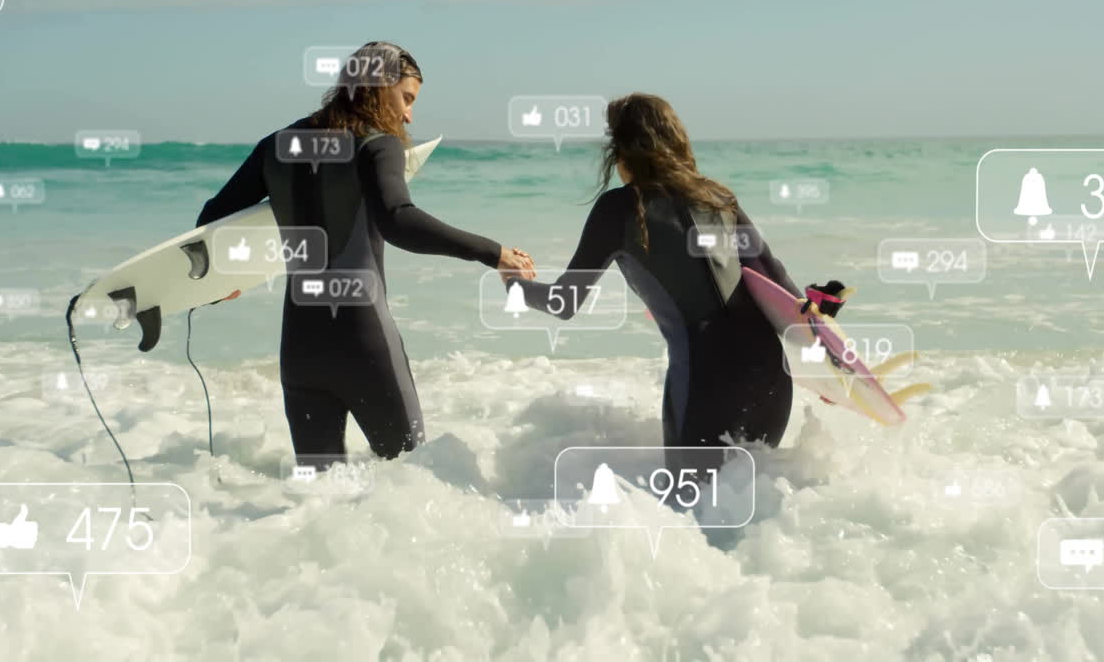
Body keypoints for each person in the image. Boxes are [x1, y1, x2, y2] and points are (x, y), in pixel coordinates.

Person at [196, 41, 535, 465]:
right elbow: (398, 219)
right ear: (379, 87)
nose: (409, 115)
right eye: (406, 98)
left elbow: (212, 221)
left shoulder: (275, 145)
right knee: (414, 475)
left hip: (300, 350)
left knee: (316, 490)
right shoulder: (377, 143)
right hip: (364, 344)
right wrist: (494, 253)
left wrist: (222, 284)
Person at [502, 93, 807, 457]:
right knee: (756, 488)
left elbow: (563, 303)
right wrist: (834, 366)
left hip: (704, 379)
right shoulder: (719, 198)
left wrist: (515, 285)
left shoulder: (618, 209)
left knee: (690, 494)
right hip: (771, 373)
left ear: (620, 151)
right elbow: (782, 287)